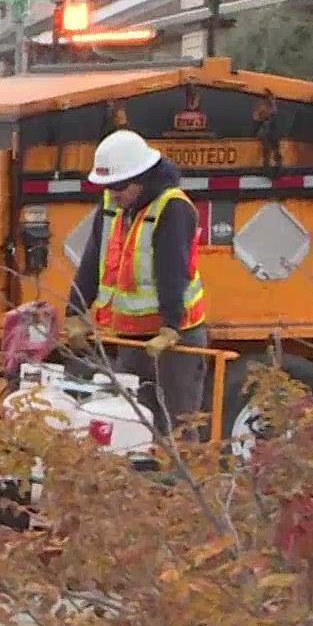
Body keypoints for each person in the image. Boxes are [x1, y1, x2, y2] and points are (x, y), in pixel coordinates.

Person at [63, 130, 209, 438]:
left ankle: (180, 486)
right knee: (129, 423)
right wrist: (75, 310)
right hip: (132, 337)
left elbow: (173, 269)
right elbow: (93, 258)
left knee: (176, 426)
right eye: (107, 186)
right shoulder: (113, 204)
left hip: (173, 341)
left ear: (142, 178)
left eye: (118, 186)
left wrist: (171, 327)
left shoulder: (172, 207)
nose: (113, 192)